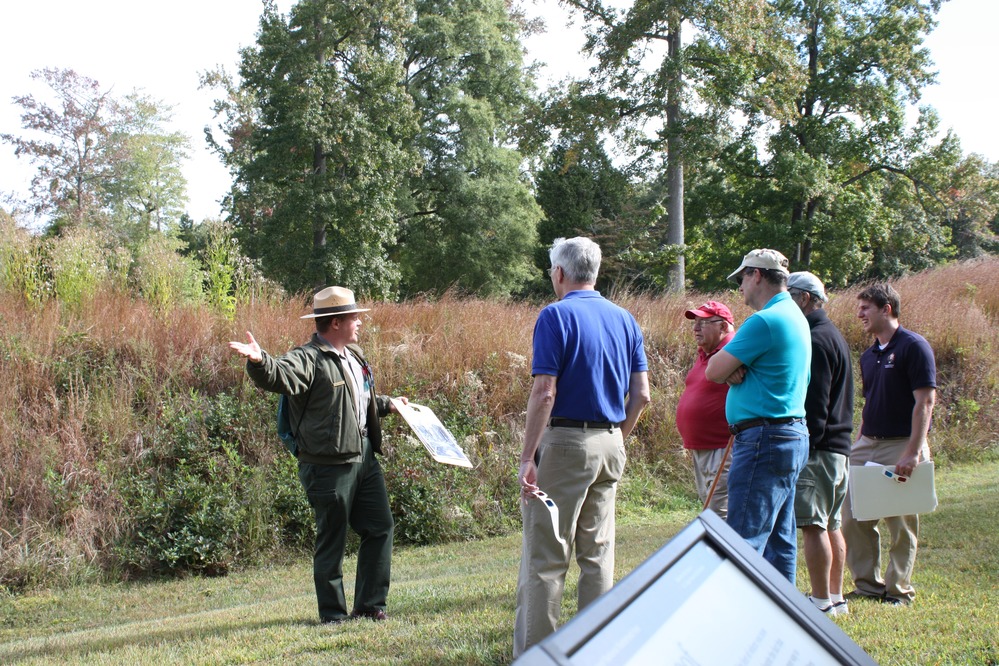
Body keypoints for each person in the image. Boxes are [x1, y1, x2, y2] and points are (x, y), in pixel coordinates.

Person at [228, 286, 406, 625]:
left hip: (365, 457)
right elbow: (279, 374)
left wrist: (389, 404)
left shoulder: (354, 356)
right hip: (328, 466)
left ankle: (369, 606)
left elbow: (358, 401)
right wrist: (259, 360)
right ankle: (333, 615)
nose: (360, 322)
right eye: (354, 317)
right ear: (336, 322)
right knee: (332, 540)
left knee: (380, 527)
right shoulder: (307, 358)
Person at [513, 237, 651, 658]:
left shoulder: (555, 315)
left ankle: (537, 656)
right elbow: (642, 395)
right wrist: (617, 438)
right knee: (598, 555)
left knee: (547, 557)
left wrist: (527, 457)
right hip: (611, 441)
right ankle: (595, 653)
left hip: (566, 444)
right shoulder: (625, 319)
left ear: (559, 272)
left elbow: (545, 392)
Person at [705, 248, 811, 584]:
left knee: (744, 541)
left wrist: (730, 369)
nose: (740, 287)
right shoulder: (796, 316)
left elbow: (713, 370)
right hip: (789, 435)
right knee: (780, 542)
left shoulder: (764, 320)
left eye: (742, 278)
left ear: (757, 275)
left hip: (764, 439)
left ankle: (739, 612)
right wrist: (736, 368)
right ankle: (783, 613)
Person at [842, 283, 936, 606]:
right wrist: (859, 442)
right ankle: (868, 585)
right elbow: (871, 403)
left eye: (865, 307)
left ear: (887, 309)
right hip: (867, 443)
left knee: (901, 522)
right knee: (852, 515)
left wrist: (913, 452)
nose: (859, 314)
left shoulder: (914, 346)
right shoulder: (869, 355)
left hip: (902, 444)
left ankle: (898, 591)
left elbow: (925, 402)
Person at [787, 272, 854, 616]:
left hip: (820, 447)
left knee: (814, 525)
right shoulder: (833, 334)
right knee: (832, 523)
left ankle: (820, 600)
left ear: (804, 299)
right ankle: (836, 596)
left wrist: (805, 445)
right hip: (839, 447)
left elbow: (816, 402)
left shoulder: (814, 338)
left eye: (789, 295)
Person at [675, 300, 737, 519]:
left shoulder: (734, 352)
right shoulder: (706, 353)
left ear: (723, 326)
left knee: (719, 517)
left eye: (703, 323)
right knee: (713, 512)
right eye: (695, 323)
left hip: (724, 447)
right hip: (703, 449)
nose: (695, 328)